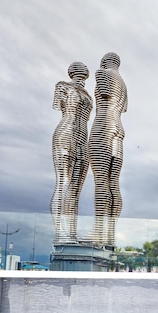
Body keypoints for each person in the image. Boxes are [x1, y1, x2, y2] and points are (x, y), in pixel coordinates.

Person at [86, 52, 128, 247]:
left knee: (101, 180)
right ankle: (110, 236)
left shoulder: (102, 74)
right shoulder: (124, 84)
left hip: (103, 124)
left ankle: (98, 232)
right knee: (114, 182)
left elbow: (103, 94)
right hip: (118, 129)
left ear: (104, 62)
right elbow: (123, 108)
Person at [50, 62, 92, 243]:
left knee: (75, 189)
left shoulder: (89, 95)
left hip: (84, 138)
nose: (82, 72)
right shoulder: (62, 86)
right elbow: (58, 105)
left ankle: (72, 234)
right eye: (78, 70)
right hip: (66, 133)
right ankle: (60, 232)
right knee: (63, 182)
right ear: (71, 72)